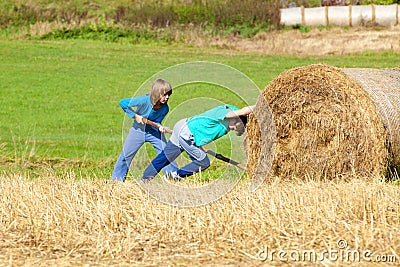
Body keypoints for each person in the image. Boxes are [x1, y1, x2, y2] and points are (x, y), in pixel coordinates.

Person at [141, 104, 255, 182]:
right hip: (187, 134)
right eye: (235, 126)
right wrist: (262, 105)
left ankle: (145, 179)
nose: (234, 129)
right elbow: (244, 111)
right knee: (203, 162)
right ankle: (175, 176)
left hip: (183, 127)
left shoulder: (229, 122)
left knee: (165, 157)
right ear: (235, 118)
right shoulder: (223, 113)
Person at [111, 79, 178, 182]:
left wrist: (160, 127)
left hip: (153, 132)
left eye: (168, 94)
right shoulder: (143, 100)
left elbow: (156, 121)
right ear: (156, 93)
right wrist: (135, 115)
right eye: (164, 94)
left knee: (166, 153)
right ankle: (116, 180)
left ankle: (172, 177)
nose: (167, 97)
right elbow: (123, 103)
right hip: (138, 131)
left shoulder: (165, 108)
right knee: (126, 155)